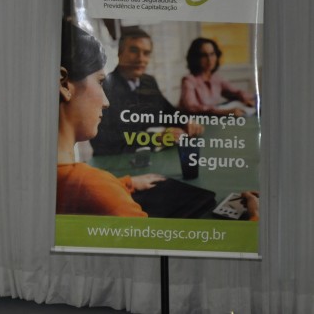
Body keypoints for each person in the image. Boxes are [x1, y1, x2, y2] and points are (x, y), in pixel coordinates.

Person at [57, 22, 164, 217]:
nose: (106, 102)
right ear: (64, 84)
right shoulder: (97, 187)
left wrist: (125, 183)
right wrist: (108, 188)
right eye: (99, 81)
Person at [90, 27, 201, 156]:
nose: (141, 59)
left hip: (150, 158)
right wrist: (155, 137)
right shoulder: (104, 88)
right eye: (134, 50)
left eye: (146, 53)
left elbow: (168, 112)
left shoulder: (148, 81)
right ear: (119, 53)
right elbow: (103, 140)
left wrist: (187, 122)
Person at [179, 37, 256, 116]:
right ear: (195, 58)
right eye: (204, 55)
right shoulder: (189, 80)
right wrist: (224, 112)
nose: (209, 59)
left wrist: (246, 98)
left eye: (212, 54)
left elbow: (235, 92)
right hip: (193, 121)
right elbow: (192, 107)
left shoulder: (216, 79)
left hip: (213, 119)